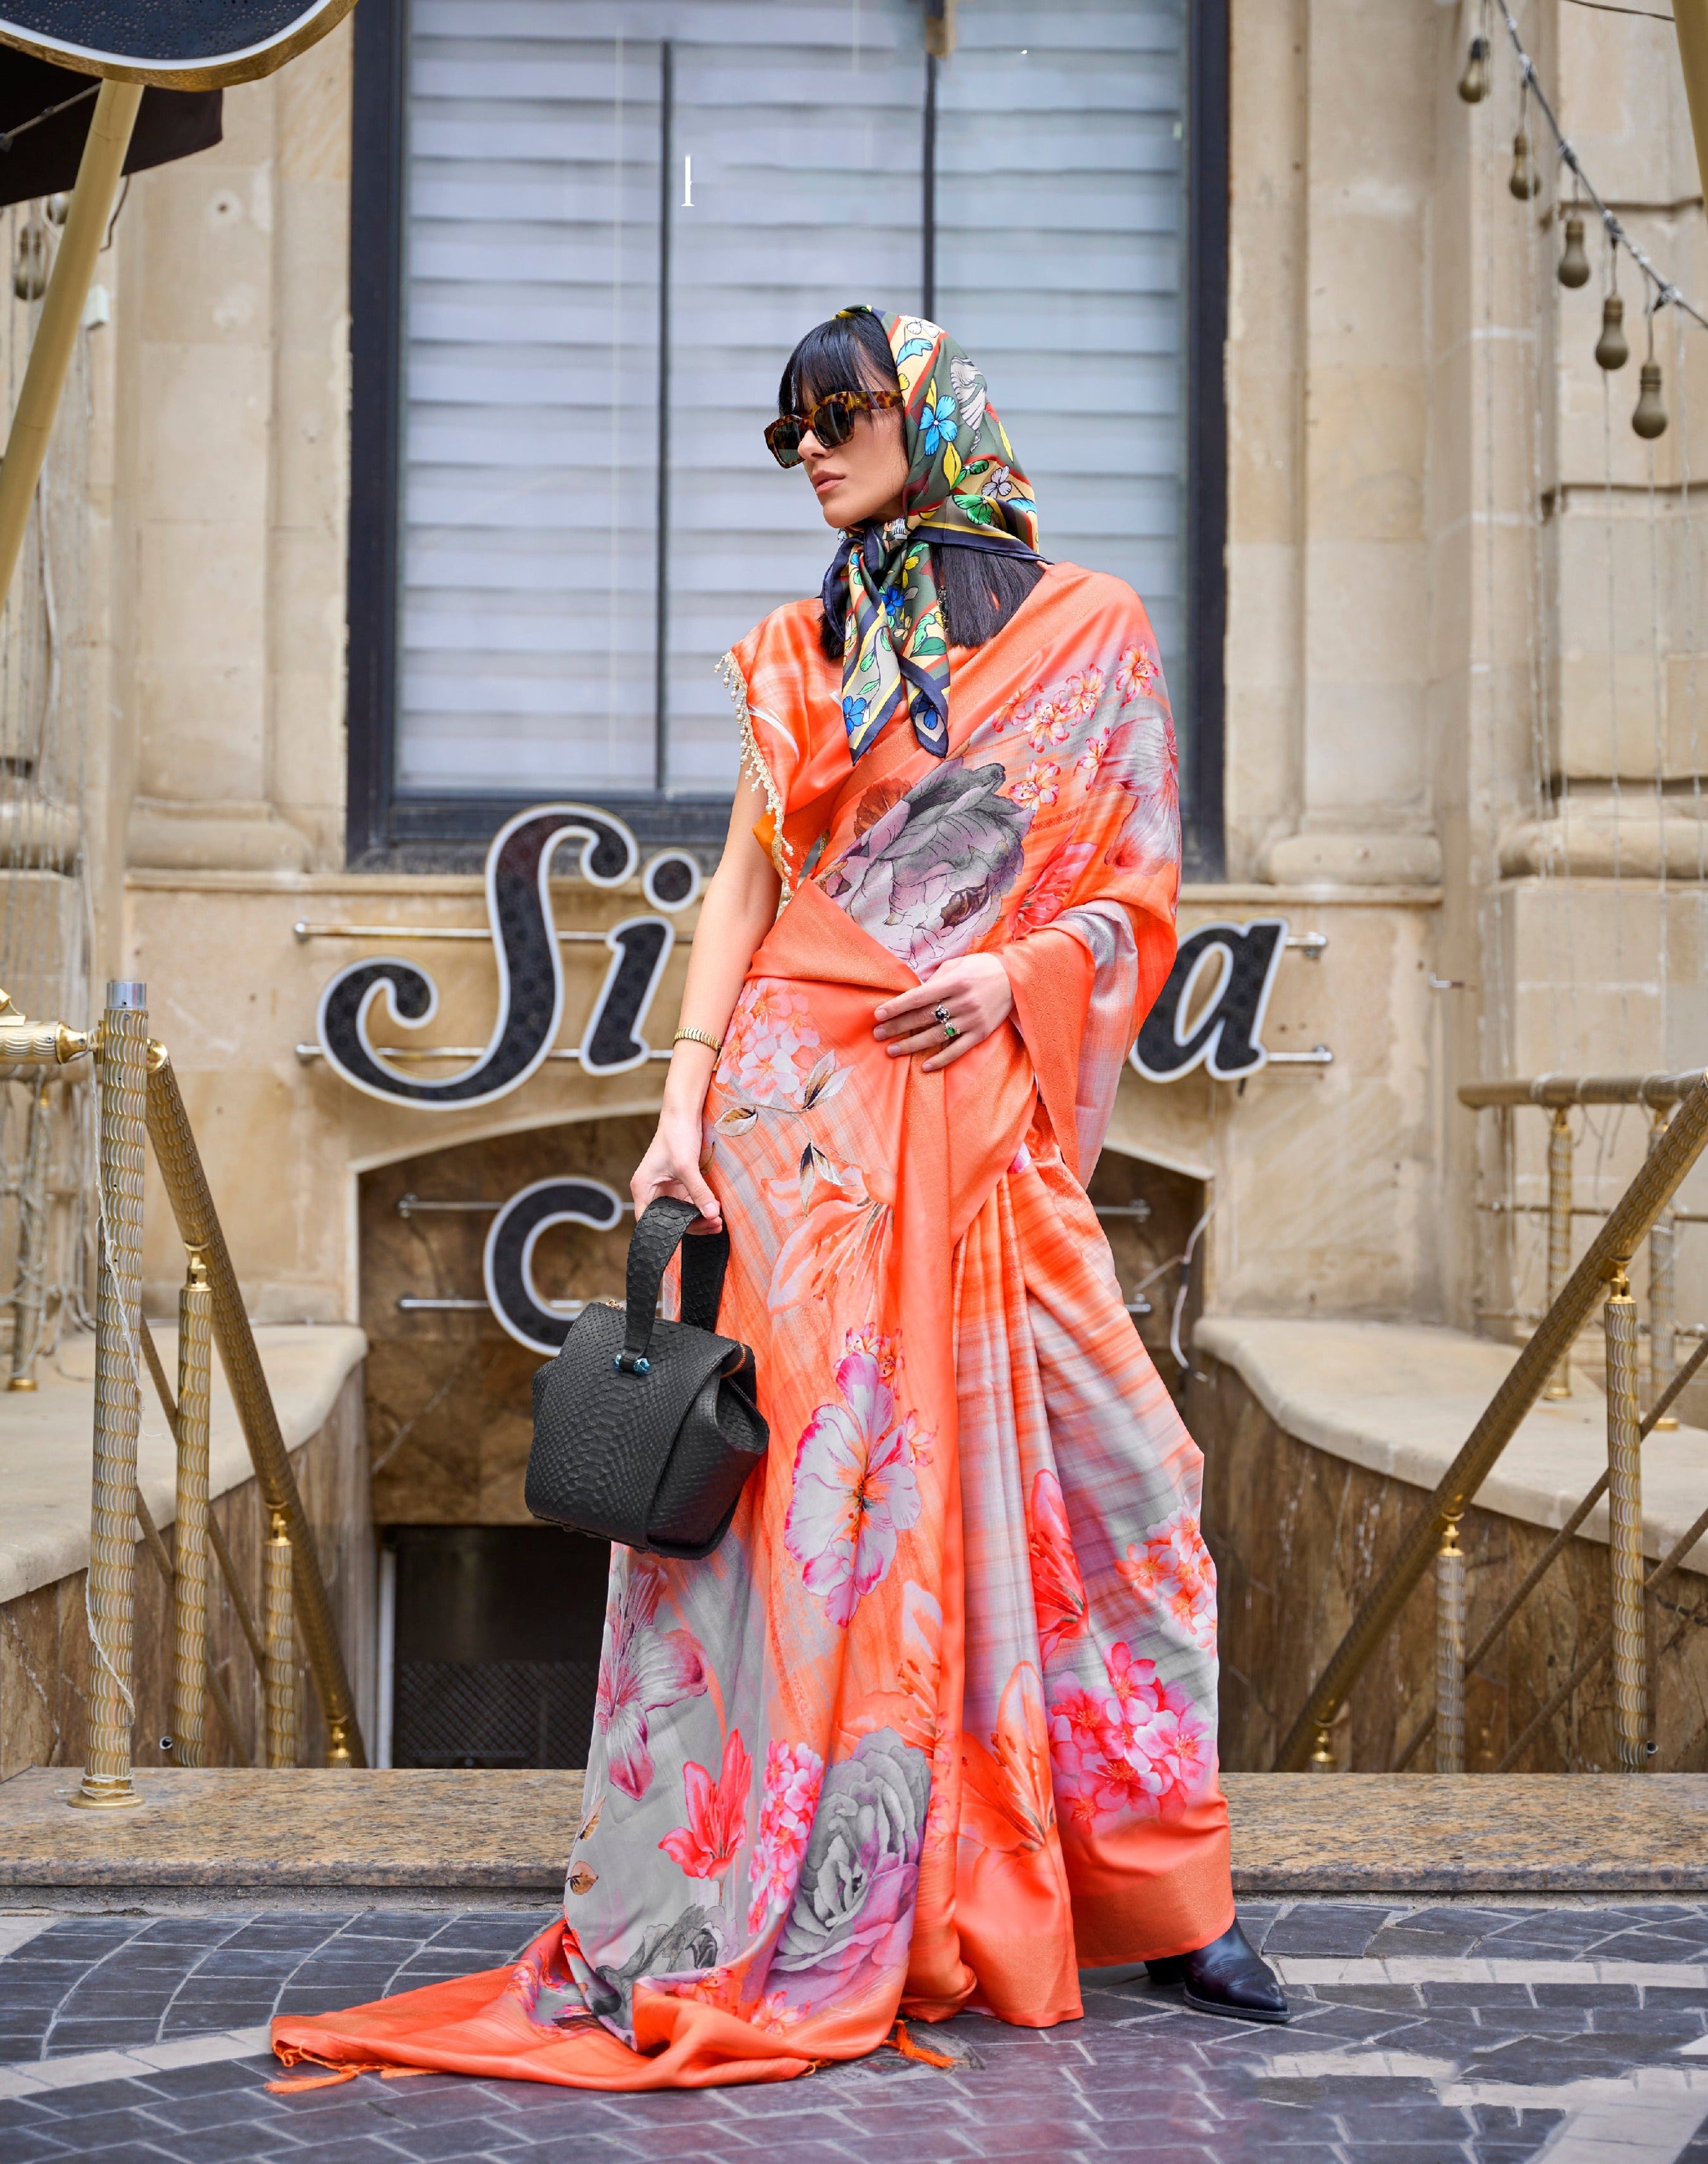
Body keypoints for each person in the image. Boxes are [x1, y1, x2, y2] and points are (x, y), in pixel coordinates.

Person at [272, 307, 1284, 2093]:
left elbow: (1136, 890)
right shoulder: (805, 649)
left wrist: (1017, 974)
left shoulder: (1091, 634)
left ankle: (1165, 1891)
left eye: (844, 415)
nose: (812, 448)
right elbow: (741, 894)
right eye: (788, 430)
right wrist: (672, 1117)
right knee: (829, 1525)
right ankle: (843, 1890)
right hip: (800, 1120)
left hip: (979, 1101)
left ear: (935, 419)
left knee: (1138, 1473)